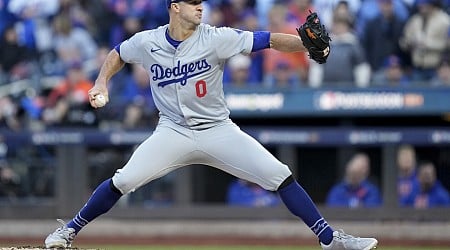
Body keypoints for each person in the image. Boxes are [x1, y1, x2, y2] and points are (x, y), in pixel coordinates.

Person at [44, 1, 378, 249]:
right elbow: (118, 52)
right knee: (124, 180)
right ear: (175, 8)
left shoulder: (216, 37)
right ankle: (69, 230)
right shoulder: (147, 41)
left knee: (279, 174)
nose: (200, 7)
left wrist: (305, 43)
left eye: (201, 2)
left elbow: (269, 40)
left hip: (217, 129)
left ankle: (330, 239)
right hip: (172, 131)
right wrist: (102, 82)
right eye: (192, 3)